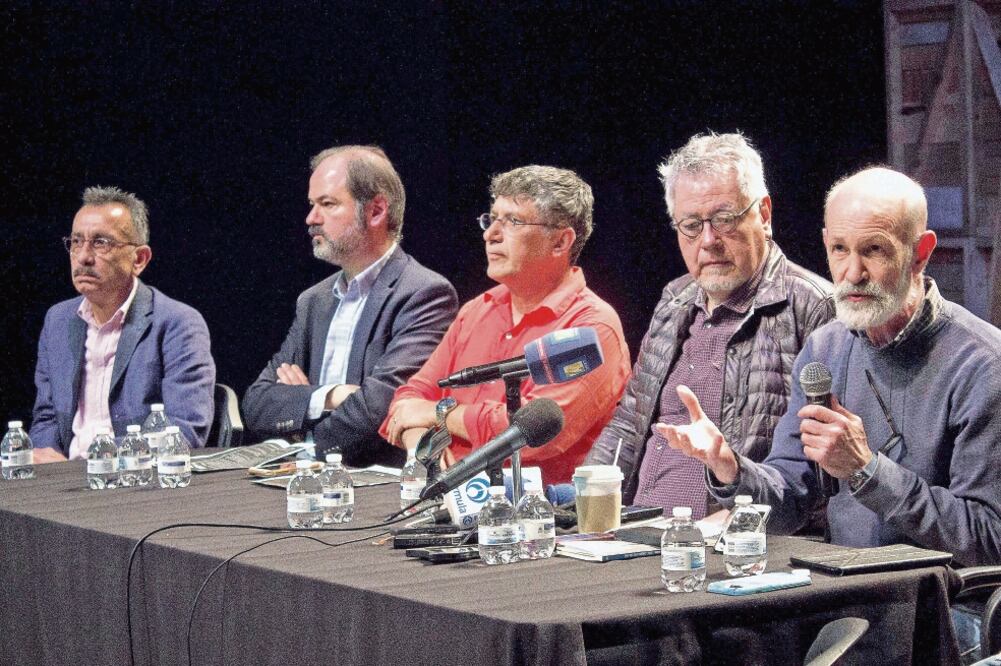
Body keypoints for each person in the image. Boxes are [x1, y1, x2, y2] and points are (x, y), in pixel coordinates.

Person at [661, 165, 1001, 563]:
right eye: (840, 250)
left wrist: (867, 470)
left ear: (920, 253)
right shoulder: (826, 348)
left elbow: (989, 538)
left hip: (943, 603)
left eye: (873, 250)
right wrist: (730, 469)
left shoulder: (982, 366)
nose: (852, 273)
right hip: (844, 591)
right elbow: (789, 499)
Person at [585, 132, 834, 518]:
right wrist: (584, 494)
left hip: (731, 543)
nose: (708, 240)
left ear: (764, 215)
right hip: (637, 535)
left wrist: (743, 518)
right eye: (690, 225)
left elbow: (823, 472)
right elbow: (627, 425)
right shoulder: (675, 299)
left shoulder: (813, 308)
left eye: (724, 219)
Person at [381, 165, 631, 485]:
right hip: (448, 501)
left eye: (512, 221)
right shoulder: (477, 310)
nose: (490, 234)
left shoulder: (592, 327)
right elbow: (407, 401)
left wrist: (438, 414)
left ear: (560, 242)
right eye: (491, 219)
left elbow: (532, 433)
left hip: (546, 520)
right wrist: (425, 453)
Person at [243, 145, 458, 466]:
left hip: (377, 481)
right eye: (312, 205)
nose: (311, 218)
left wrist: (306, 440)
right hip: (304, 478)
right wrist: (332, 395)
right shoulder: (313, 301)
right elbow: (257, 402)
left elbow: (383, 405)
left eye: (327, 204)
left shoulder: (424, 293)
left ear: (375, 211)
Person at [30, 186, 215, 461]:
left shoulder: (178, 324)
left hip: (133, 486)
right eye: (77, 242)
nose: (83, 257)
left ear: (139, 259)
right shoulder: (58, 320)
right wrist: (47, 461)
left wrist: (92, 462)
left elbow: (185, 431)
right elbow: (46, 418)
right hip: (62, 487)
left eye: (101, 242)